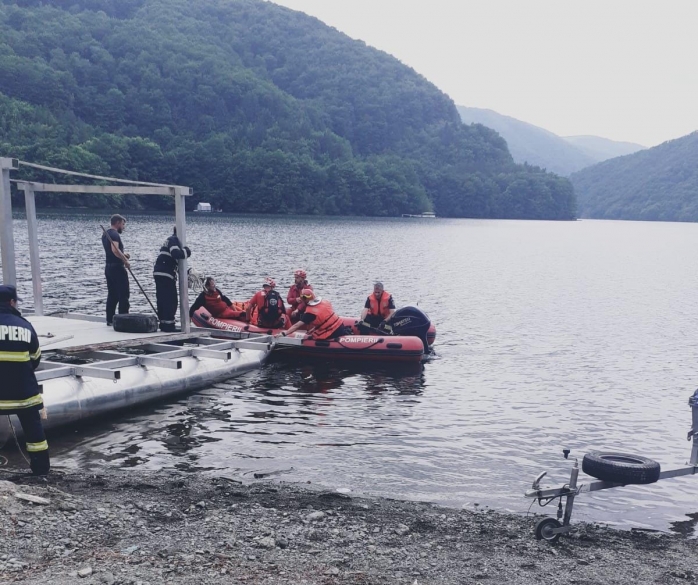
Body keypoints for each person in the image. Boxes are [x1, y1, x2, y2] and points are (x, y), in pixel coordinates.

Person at [0, 285, 49, 476]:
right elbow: (35, 359)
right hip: (23, 395)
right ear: (12, 302)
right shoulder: (25, 325)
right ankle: (41, 469)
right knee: (34, 433)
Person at [153, 226, 191, 332]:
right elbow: (176, 254)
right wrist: (187, 252)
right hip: (165, 273)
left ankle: (164, 323)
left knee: (162, 299)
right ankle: (169, 325)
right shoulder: (174, 240)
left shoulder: (170, 240)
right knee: (171, 300)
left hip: (161, 272)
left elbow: (173, 260)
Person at [279, 289, 351, 340]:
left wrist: (284, 334)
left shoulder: (310, 313)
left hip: (332, 332)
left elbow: (296, 326)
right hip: (340, 326)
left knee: (313, 337)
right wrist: (314, 328)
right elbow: (324, 319)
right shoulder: (325, 302)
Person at [102, 214, 130, 326]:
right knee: (123, 294)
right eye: (123, 224)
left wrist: (124, 255)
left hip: (108, 267)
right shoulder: (114, 234)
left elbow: (112, 251)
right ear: (118, 223)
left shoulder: (106, 234)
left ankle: (110, 319)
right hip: (117, 268)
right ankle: (123, 320)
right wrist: (125, 261)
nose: (123, 227)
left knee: (112, 294)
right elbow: (114, 250)